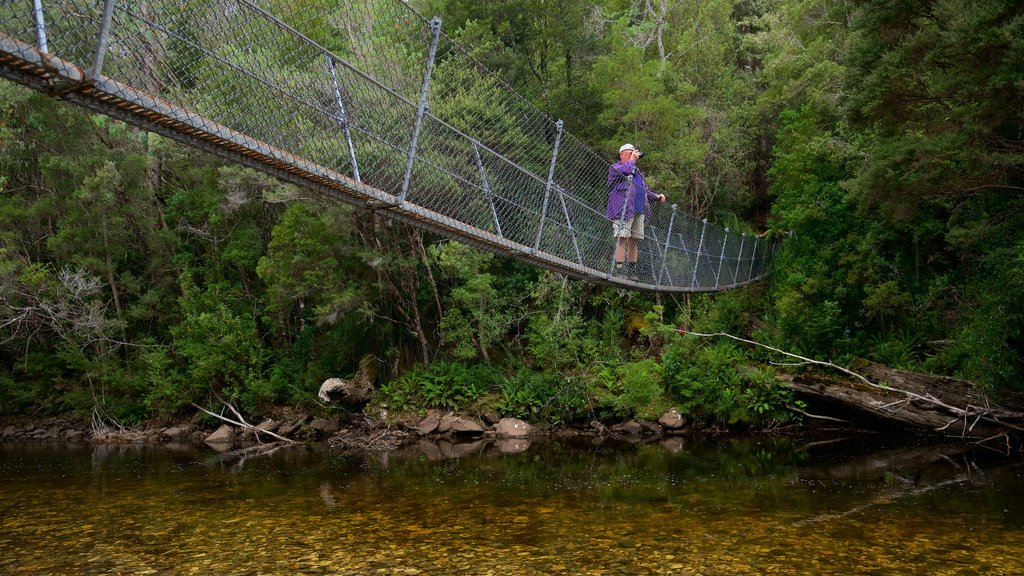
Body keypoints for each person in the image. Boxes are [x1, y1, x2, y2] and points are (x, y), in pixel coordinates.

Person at [606, 143, 665, 279]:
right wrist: (632, 160)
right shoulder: (616, 168)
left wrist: (656, 196)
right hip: (623, 210)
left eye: (634, 153)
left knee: (634, 241)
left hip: (639, 211)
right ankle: (620, 271)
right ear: (621, 154)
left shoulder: (637, 172)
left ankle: (632, 272)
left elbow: (644, 191)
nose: (633, 155)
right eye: (630, 152)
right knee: (622, 239)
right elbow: (624, 171)